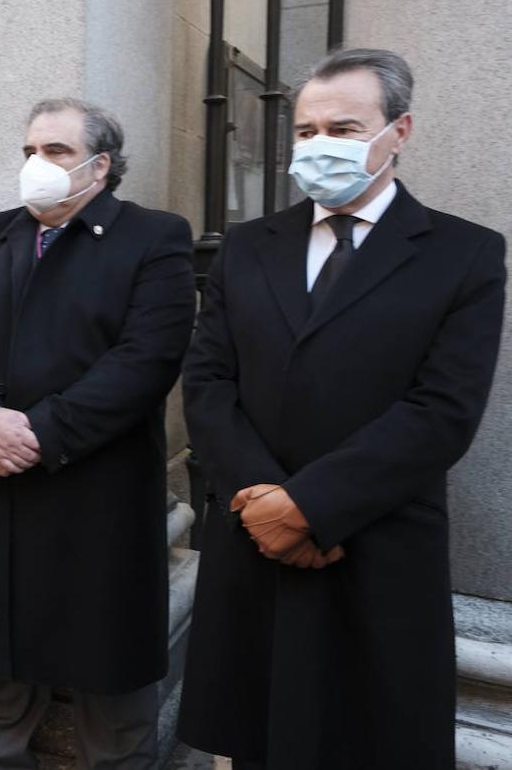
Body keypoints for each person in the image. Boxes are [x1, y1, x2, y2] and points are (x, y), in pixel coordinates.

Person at [177, 48, 506, 770]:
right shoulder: (247, 247)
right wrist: (263, 502)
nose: (319, 144)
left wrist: (309, 510)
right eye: (306, 130)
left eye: (346, 128)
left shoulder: (466, 255)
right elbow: (207, 382)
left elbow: (442, 411)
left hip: (372, 549)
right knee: (255, 740)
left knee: (369, 743)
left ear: (401, 131)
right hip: (252, 542)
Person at [0, 98, 196, 770]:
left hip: (93, 496)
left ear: (99, 167)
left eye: (57, 152)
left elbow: (147, 358)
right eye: (30, 151)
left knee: (111, 679)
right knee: (5, 669)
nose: (37, 165)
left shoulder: (154, 236)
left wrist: (39, 434)